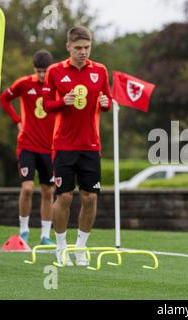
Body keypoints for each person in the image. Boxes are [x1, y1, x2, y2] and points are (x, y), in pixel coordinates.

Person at [43, 26, 112, 266]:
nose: (84, 52)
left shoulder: (100, 71)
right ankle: (61, 246)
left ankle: (81, 246)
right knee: (63, 198)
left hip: (91, 145)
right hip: (63, 144)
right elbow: (47, 105)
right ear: (68, 47)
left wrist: (105, 102)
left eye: (87, 47)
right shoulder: (54, 71)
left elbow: (107, 101)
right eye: (79, 48)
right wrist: (63, 101)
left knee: (90, 197)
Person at [0, 50, 56, 245]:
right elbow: (4, 98)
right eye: (39, 71)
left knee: (48, 191)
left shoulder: (57, 86)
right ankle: (24, 231)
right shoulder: (24, 84)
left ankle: (45, 235)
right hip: (27, 145)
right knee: (28, 188)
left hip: (50, 147)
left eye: (45, 72)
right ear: (34, 69)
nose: (42, 76)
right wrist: (17, 120)